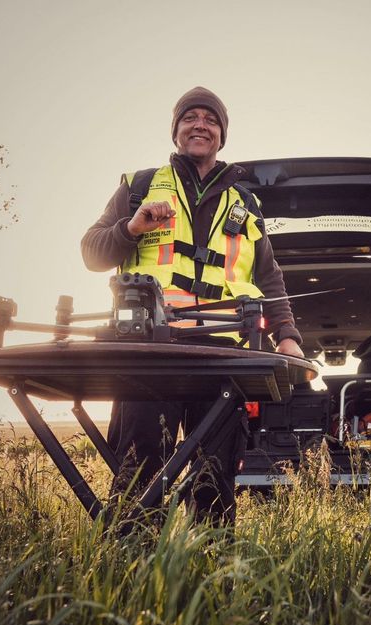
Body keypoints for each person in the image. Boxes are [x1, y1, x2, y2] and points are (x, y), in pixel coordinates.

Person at [80, 86, 302, 524]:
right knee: (137, 476)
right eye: (190, 117)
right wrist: (131, 227)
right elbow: (92, 252)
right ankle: (131, 572)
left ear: (222, 136)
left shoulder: (246, 202)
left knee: (215, 482)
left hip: (223, 358)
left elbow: (269, 277)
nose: (200, 124)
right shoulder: (139, 185)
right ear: (176, 130)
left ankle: (212, 574)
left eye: (211, 119)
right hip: (150, 356)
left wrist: (289, 336)